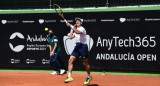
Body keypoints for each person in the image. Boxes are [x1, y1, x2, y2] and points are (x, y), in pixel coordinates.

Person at [64, 18, 92, 85]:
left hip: (83, 47)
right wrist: (71, 29)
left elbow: (77, 32)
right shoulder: (74, 29)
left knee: (85, 63)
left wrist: (71, 26)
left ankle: (89, 76)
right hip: (77, 46)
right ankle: (69, 76)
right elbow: (71, 37)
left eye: (79, 21)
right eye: (76, 21)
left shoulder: (82, 29)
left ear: (81, 23)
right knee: (70, 60)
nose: (77, 21)